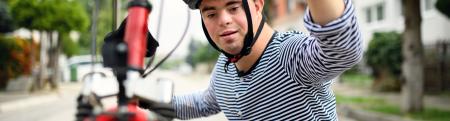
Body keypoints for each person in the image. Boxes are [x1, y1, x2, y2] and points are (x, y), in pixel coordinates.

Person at [159, 0, 362, 120]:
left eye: (233, 7)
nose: (223, 20)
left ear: (257, 6)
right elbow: (203, 103)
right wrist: (141, 94)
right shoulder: (223, 69)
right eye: (211, 14)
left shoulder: (289, 55)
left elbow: (342, 50)